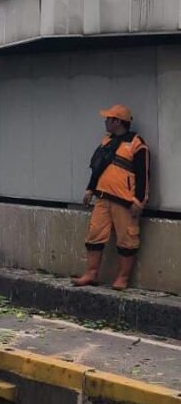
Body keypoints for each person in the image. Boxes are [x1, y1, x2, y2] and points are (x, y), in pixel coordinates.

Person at [74, 105, 150, 291]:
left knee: (127, 238)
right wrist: (90, 189)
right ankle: (91, 273)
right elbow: (98, 167)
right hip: (102, 197)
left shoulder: (136, 143)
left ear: (118, 121)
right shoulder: (106, 141)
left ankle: (122, 278)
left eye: (108, 119)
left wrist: (139, 201)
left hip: (124, 201)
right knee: (94, 235)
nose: (105, 122)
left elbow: (144, 175)